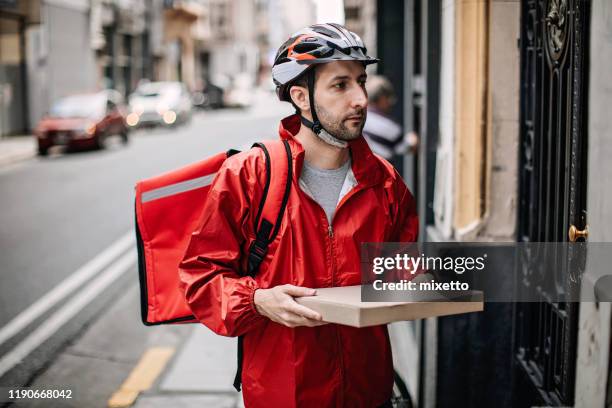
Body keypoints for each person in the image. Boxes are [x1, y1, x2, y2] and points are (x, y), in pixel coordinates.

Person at [178, 23, 418, 408]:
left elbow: (406, 271)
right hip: (285, 396)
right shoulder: (251, 175)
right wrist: (257, 300)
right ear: (301, 97)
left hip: (369, 393)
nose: (360, 98)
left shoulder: (384, 181)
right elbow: (200, 278)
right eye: (340, 85)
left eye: (361, 81)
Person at [362, 75, 419, 169]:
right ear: (382, 98)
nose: (391, 102)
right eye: (388, 97)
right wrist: (413, 139)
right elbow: (407, 147)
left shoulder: (355, 118)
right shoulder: (387, 126)